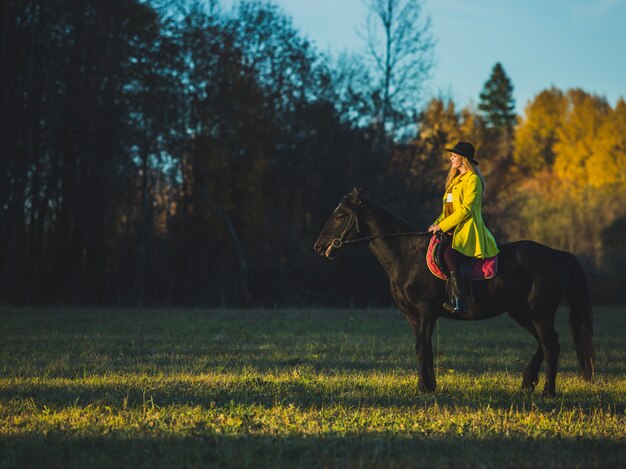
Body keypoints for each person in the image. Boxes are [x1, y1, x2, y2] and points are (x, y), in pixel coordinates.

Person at [427, 141, 499, 313]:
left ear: (463, 159)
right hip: (451, 228)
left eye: (454, 155)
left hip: (467, 230)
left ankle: (461, 301)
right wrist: (436, 225)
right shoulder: (455, 181)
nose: (450, 157)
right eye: (451, 155)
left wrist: (442, 226)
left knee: (449, 254)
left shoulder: (473, 180)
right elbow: (448, 211)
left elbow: (466, 210)